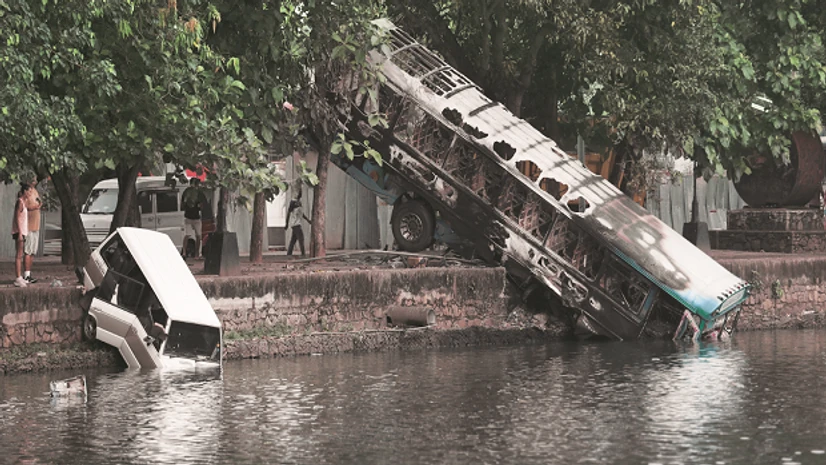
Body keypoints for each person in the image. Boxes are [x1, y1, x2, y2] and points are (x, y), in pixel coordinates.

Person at [22, 178, 41, 283]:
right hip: (28, 226)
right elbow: (24, 206)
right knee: (28, 251)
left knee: (33, 251)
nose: (34, 180)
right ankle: (26, 274)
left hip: (36, 225)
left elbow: (38, 203)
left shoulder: (35, 191)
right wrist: (34, 207)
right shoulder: (25, 193)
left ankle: (29, 273)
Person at [181, 178, 205, 258]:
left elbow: (182, 204)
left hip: (189, 216)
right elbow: (202, 205)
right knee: (197, 236)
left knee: (190, 235)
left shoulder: (186, 191)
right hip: (194, 217)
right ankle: (196, 254)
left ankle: (185, 252)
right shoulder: (197, 193)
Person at [11, 185, 29, 287]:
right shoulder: (20, 202)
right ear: (24, 191)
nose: (30, 194)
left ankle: (20, 276)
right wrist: (20, 233)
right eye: (29, 191)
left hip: (22, 231)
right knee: (18, 255)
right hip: (19, 232)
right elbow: (17, 218)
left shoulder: (23, 202)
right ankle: (17, 277)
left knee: (20, 254)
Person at [285, 191, 309, 257]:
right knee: (301, 238)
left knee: (293, 239)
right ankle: (303, 254)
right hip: (296, 224)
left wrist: (308, 220)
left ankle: (289, 254)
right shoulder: (293, 202)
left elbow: (302, 214)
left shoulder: (299, 202)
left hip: (296, 224)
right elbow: (289, 213)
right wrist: (286, 224)